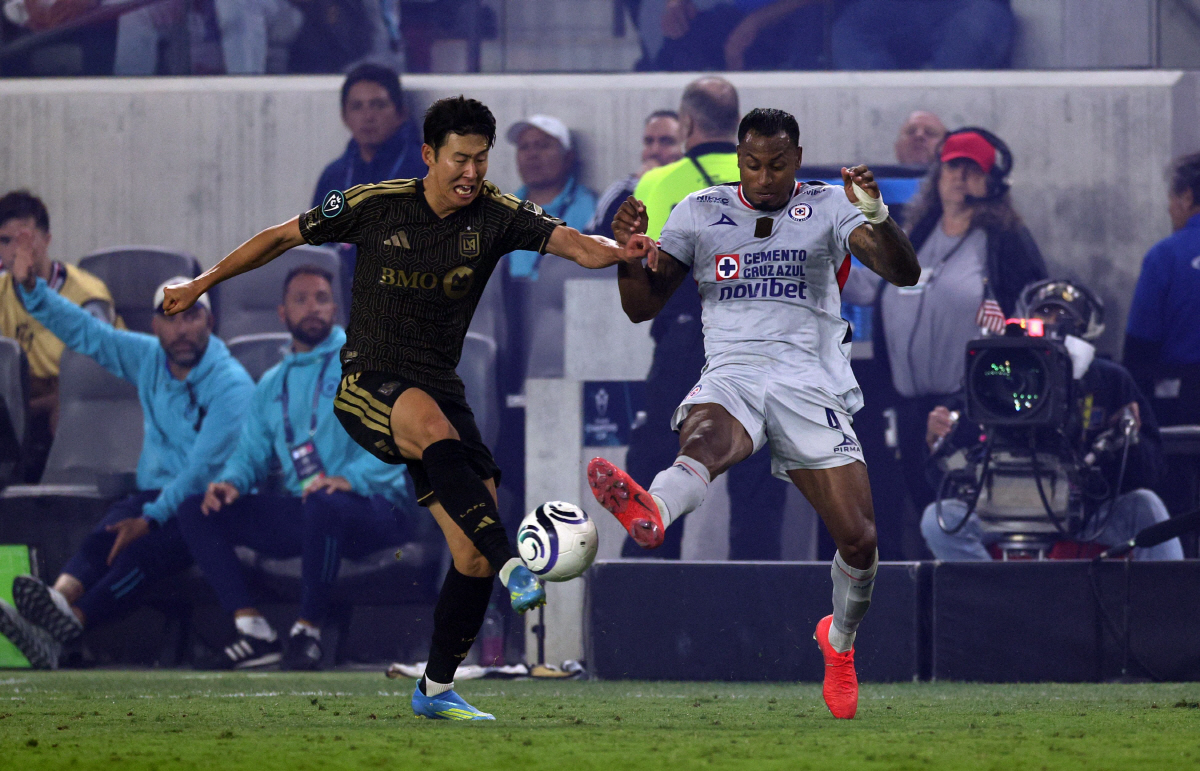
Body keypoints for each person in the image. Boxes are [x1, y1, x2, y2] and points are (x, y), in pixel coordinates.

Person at [160, 96, 654, 719]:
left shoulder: (498, 213)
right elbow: (282, 236)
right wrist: (201, 283)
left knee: (467, 548)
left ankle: (437, 687)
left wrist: (623, 250)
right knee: (452, 466)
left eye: (480, 158)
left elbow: (576, 244)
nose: (471, 172)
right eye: (459, 159)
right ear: (429, 155)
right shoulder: (376, 204)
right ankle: (514, 565)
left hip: (439, 390)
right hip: (371, 382)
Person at [594, 108, 920, 718]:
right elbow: (642, 308)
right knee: (704, 439)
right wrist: (628, 254)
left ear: (796, 159)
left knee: (860, 539)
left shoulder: (826, 204)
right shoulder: (699, 211)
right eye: (752, 164)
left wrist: (876, 213)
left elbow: (905, 272)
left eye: (776, 165)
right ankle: (654, 509)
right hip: (734, 371)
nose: (763, 178)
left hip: (810, 383)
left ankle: (839, 643)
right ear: (738, 158)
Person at [0, 260, 253, 670]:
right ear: (156, 325)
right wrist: (34, 292)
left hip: (206, 508)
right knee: (107, 531)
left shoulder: (231, 384)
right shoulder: (149, 358)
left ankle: (63, 626)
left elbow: (200, 472)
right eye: (173, 317)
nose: (183, 329)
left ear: (210, 321)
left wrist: (150, 519)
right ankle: (55, 604)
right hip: (153, 496)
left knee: (141, 550)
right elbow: (86, 333)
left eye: (192, 316)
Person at [176, 265, 417, 670]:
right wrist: (231, 483)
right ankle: (253, 632)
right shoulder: (271, 383)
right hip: (309, 507)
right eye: (301, 300)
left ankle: (308, 631)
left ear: (335, 310)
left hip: (375, 507)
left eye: (322, 299)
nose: (313, 308)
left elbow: (393, 443)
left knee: (324, 501)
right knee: (198, 509)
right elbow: (250, 453)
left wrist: (347, 480)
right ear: (282, 314)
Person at [624, 76, 790, 560]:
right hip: (765, 348)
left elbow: (642, 262)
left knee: (659, 469)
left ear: (687, 123)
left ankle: (644, 609)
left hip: (687, 344)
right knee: (759, 489)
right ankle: (757, 625)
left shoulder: (659, 183)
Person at [920, 279, 1182, 561]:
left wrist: (1130, 439)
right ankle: (998, 596)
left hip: (1085, 515)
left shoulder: (1110, 380)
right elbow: (944, 478)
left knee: (1147, 506)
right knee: (937, 519)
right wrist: (938, 439)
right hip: (998, 512)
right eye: (1045, 312)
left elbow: (1152, 474)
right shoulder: (997, 371)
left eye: (1066, 317)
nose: (1054, 323)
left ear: (1085, 328)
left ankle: (1169, 603)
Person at [867, 128, 1047, 527]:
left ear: (992, 182)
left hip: (968, 409)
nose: (960, 177)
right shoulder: (917, 233)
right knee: (919, 516)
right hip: (908, 407)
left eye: (972, 169)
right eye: (952, 167)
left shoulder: (1004, 240)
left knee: (954, 518)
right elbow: (876, 293)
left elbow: (1033, 315)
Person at [0, 190, 121, 482]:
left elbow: (98, 382)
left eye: (25, 239)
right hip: (23, 408)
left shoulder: (86, 295)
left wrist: (53, 401)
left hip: (79, 405)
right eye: (5, 241)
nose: (15, 250)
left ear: (47, 240)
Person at [312, 63, 427, 310]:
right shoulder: (334, 176)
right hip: (340, 307)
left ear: (401, 113)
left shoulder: (428, 172)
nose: (368, 116)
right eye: (357, 107)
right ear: (344, 117)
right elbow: (318, 251)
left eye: (378, 105)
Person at [1124, 151, 1200, 427]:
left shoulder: (1165, 257)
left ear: (1187, 198)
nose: (1169, 208)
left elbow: (1140, 344)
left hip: (1178, 406)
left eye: (1171, 199)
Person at [503, 114, 597, 280]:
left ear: (568, 157)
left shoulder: (591, 208)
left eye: (543, 145)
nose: (532, 154)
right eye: (524, 147)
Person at [830, 0, 1014, 70]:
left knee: (975, 27)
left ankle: (938, 109)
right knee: (848, 32)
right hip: (893, 7)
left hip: (969, 7)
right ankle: (885, 98)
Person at [585, 109, 682, 241]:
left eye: (667, 141)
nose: (654, 150)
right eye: (649, 141)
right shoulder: (622, 190)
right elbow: (592, 240)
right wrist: (641, 184)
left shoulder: (696, 185)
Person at [646, 0, 825, 72]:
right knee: (682, 39)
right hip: (738, 15)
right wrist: (677, 3)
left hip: (792, 19)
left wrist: (755, 21)